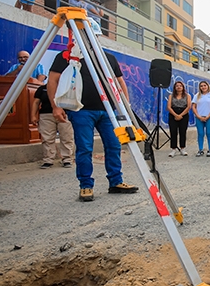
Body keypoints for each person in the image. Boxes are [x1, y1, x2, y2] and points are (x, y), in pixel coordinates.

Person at [47, 35, 138, 201]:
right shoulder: (67, 56)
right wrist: (56, 106)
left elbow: (119, 82)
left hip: (108, 110)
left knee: (114, 146)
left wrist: (125, 106)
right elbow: (53, 80)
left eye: (93, 36)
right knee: (85, 148)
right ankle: (86, 186)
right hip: (81, 110)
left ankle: (116, 181)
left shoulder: (107, 58)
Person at [31, 84, 74, 169]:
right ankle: (48, 160)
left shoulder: (67, 87)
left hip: (65, 114)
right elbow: (36, 102)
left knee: (67, 137)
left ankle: (67, 159)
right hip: (46, 115)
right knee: (47, 138)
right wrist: (33, 115)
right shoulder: (42, 89)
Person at [192, 81, 210, 157]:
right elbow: (193, 107)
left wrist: (208, 116)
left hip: (209, 117)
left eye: (204, 85)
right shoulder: (197, 96)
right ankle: (200, 149)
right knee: (200, 133)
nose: (203, 87)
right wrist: (198, 116)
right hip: (199, 117)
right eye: (201, 86)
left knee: (209, 133)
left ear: (207, 86)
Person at [167, 80, 191, 157]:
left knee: (182, 132)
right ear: (175, 87)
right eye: (177, 86)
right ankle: (173, 149)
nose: (179, 87)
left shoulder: (188, 96)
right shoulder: (171, 96)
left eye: (180, 86)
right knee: (173, 132)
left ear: (183, 87)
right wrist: (175, 115)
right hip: (173, 114)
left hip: (184, 114)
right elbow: (169, 107)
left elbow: (188, 106)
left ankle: (182, 148)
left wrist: (181, 115)